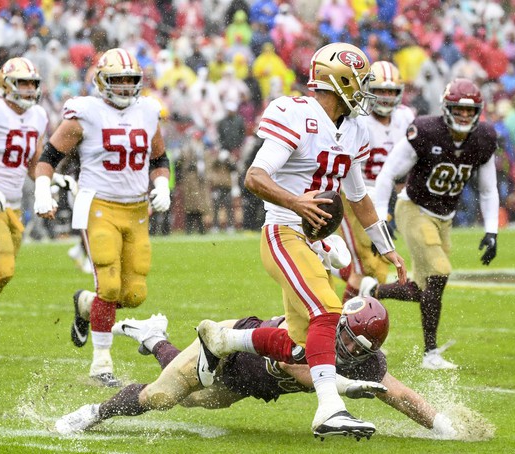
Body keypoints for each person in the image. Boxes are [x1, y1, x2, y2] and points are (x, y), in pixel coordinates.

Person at [195, 42, 407, 440]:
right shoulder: (298, 116)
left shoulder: (355, 129)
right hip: (282, 229)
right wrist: (295, 201)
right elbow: (255, 178)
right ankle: (330, 410)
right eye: (359, 83)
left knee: (298, 346)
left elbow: (357, 194)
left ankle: (222, 340)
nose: (365, 93)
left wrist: (384, 244)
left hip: (311, 241)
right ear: (338, 83)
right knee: (329, 310)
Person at [54, 297, 457, 441]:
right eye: (344, 332)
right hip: (228, 347)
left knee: (193, 401)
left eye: (354, 342)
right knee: (161, 396)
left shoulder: (365, 359)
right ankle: (93, 415)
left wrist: (442, 426)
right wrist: (347, 387)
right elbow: (296, 365)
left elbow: (399, 394)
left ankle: (152, 337)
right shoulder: (316, 327)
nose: (344, 343)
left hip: (251, 383)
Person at [33, 48, 171, 386]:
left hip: (137, 208)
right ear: (101, 81)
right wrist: (41, 190)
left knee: (134, 293)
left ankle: (85, 305)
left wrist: (163, 185)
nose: (124, 87)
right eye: (117, 80)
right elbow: (50, 156)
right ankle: (101, 365)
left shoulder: (149, 111)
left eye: (130, 80)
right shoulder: (85, 112)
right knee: (108, 283)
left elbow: (159, 158)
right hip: (97, 205)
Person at [362, 78, 499, 370]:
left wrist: (492, 230)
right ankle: (430, 354)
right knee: (439, 272)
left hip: (444, 219)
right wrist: (379, 219)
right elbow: (387, 174)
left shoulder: (483, 138)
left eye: (469, 111)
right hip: (414, 208)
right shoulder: (426, 131)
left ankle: (374, 290)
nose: (463, 116)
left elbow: (488, 189)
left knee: (423, 288)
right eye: (458, 111)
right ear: (446, 109)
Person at [0, 58, 49, 361]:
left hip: (13, 206)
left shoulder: (38, 116)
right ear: (6, 84)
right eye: (22, 83)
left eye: (32, 84)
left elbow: (32, 163)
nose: (29, 90)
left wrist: (51, 184)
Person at [337, 60, 415, 303]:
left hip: (385, 196)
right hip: (356, 194)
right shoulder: (357, 120)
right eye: (380, 90)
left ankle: (357, 323)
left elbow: (406, 165)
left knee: (377, 267)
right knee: (367, 268)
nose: (386, 97)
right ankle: (345, 324)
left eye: (391, 91)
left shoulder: (405, 117)